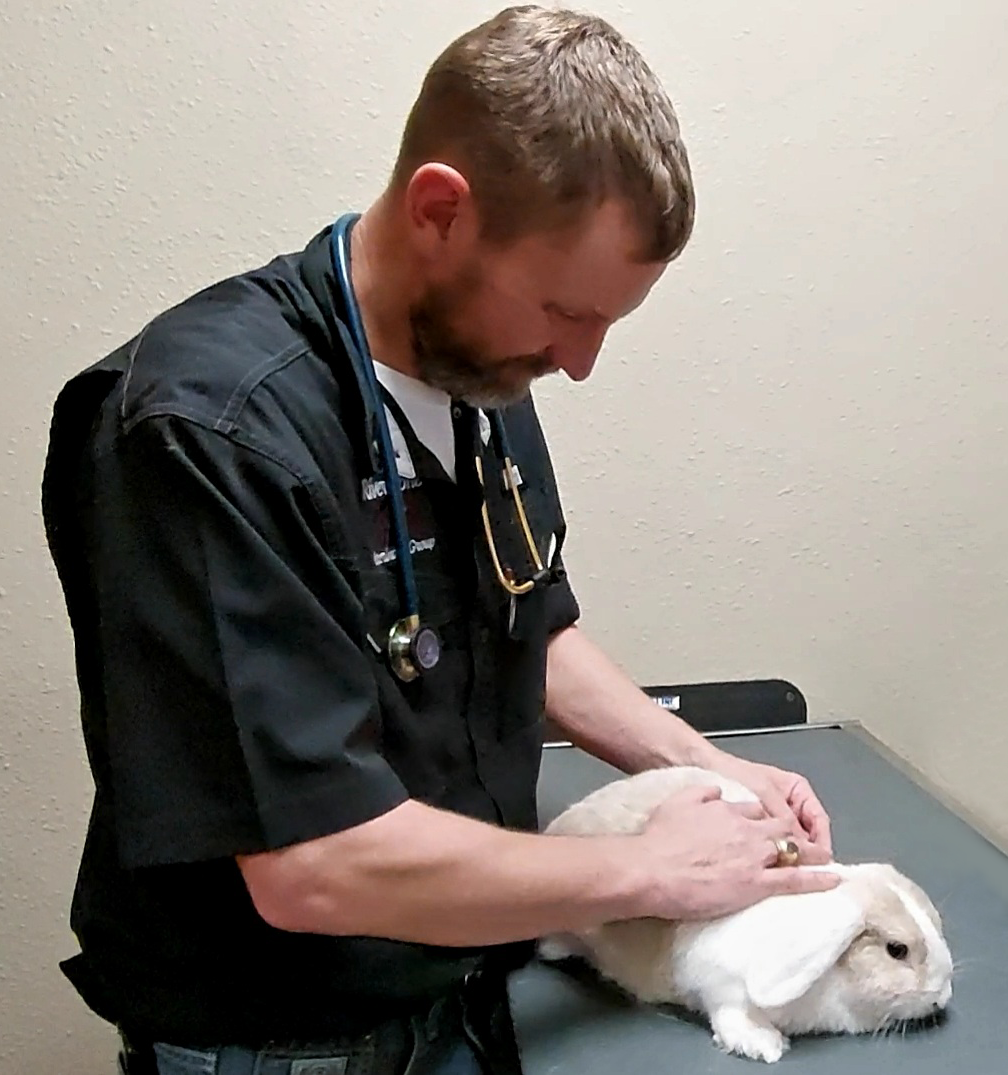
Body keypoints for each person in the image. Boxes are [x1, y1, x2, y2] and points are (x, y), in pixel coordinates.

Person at [41, 6, 840, 1074]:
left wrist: (714, 776)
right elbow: (313, 863)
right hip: (285, 1039)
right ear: (440, 211)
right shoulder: (206, 431)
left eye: (607, 321)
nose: (582, 360)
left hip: (461, 993)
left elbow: (527, 622)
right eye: (565, 310)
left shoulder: (475, 366)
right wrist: (653, 870)